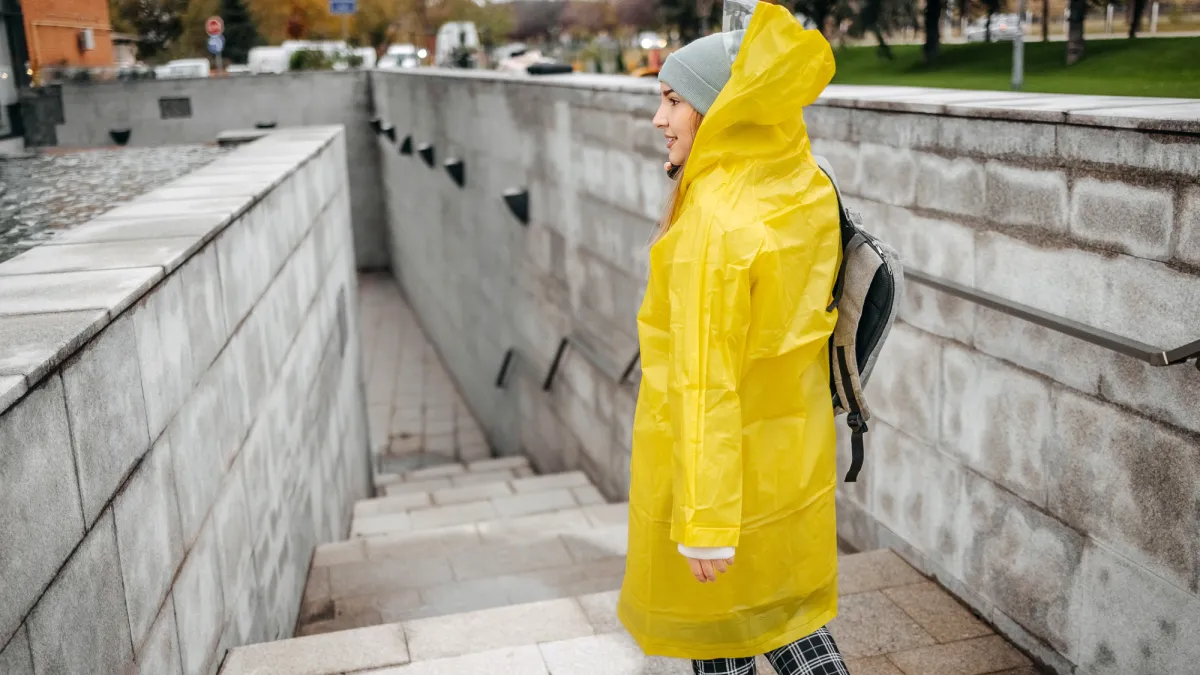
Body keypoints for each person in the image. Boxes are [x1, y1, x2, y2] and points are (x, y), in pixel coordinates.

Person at [616, 3, 851, 674]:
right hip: (788, 459)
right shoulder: (800, 185)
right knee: (785, 617)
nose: (659, 119)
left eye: (672, 100)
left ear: (719, 107)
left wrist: (706, 523)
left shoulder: (711, 225)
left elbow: (702, 379)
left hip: (720, 473)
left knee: (721, 643)